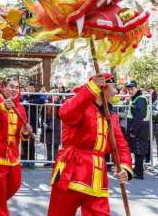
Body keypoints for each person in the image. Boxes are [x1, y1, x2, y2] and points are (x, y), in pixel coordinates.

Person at [48, 73, 132, 216]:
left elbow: (119, 145)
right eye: (114, 87)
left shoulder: (111, 116)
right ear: (102, 87)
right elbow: (65, 112)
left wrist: (124, 167)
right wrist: (90, 88)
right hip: (71, 172)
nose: (116, 92)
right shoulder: (80, 105)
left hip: (98, 178)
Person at [0, 77, 32, 216]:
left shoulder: (20, 108)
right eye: (11, 86)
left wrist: (25, 132)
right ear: (3, 87)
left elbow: (21, 134)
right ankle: (0, 211)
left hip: (13, 153)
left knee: (14, 185)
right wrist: (2, 107)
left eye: (17, 87)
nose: (14, 89)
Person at [126, 80, 150, 179]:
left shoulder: (140, 99)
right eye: (128, 89)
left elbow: (139, 116)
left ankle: (139, 173)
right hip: (140, 128)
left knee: (139, 150)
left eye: (132, 89)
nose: (130, 91)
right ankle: (137, 170)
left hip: (140, 129)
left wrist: (133, 131)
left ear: (137, 88)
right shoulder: (136, 98)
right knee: (137, 150)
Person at [21, 82, 45, 168]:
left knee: (31, 142)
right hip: (23, 122)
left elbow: (42, 100)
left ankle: (31, 161)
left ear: (34, 89)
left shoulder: (37, 96)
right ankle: (24, 161)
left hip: (33, 122)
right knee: (24, 141)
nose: (30, 89)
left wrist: (29, 102)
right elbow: (19, 101)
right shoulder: (23, 96)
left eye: (32, 88)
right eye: (28, 87)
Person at [41, 92, 62, 167]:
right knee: (48, 145)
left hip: (56, 126)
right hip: (47, 126)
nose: (55, 96)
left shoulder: (59, 104)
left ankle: (55, 161)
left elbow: (60, 115)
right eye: (53, 95)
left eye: (56, 95)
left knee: (55, 145)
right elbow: (42, 115)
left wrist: (56, 103)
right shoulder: (46, 105)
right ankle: (49, 160)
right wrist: (43, 123)